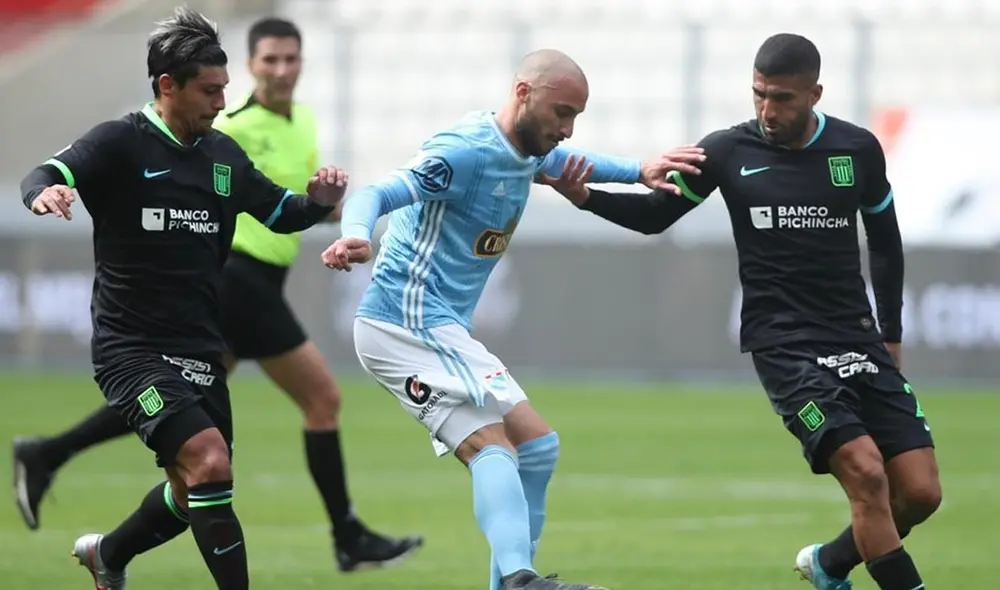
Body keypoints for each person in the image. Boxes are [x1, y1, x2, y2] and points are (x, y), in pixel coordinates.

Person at [11, 15, 423, 573]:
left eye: (225, 89)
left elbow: (281, 214)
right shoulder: (120, 142)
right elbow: (44, 171)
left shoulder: (223, 157)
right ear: (167, 86)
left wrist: (319, 200)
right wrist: (46, 192)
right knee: (209, 460)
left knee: (192, 491)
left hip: (202, 346)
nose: (221, 101)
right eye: (210, 91)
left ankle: (107, 554)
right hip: (131, 352)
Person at [556, 33, 941, 590]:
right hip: (784, 347)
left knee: (921, 492)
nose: (766, 110)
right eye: (758, 94)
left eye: (782, 98)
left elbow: (885, 240)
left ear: (815, 93)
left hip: (856, 338)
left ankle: (830, 564)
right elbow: (653, 218)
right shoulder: (727, 152)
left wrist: (891, 330)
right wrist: (586, 196)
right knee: (866, 474)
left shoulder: (856, 150)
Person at [322, 48, 705, 590]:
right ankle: (520, 580)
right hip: (405, 319)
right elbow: (377, 191)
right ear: (523, 94)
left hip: (433, 326)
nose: (568, 129)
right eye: (562, 113)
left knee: (536, 448)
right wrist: (356, 233)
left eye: (576, 116)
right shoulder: (465, 152)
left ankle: (512, 581)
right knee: (500, 447)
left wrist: (638, 171)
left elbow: (569, 165)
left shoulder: (527, 149)